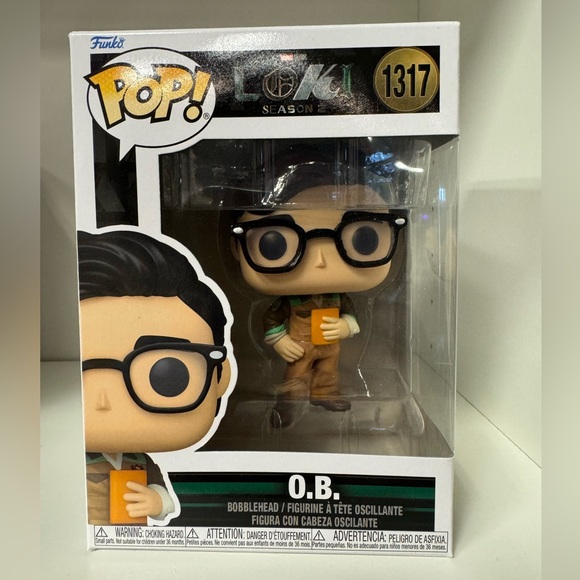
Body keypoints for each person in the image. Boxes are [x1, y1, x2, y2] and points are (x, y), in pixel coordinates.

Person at [230, 141, 407, 427]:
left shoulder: (338, 296)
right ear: (237, 247)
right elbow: (271, 319)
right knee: (296, 375)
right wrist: (280, 340)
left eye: (364, 238)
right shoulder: (290, 300)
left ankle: (325, 394)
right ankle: (289, 405)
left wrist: (347, 325)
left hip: (329, 345)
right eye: (275, 244)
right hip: (300, 346)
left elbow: (350, 314)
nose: (321, 260)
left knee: (328, 372)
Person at [78, 229, 234, 525]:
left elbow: (167, 501)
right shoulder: (65, 461)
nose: (102, 401)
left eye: (167, 375)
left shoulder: (142, 462)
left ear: (220, 378)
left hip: (135, 541)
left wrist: (157, 501)